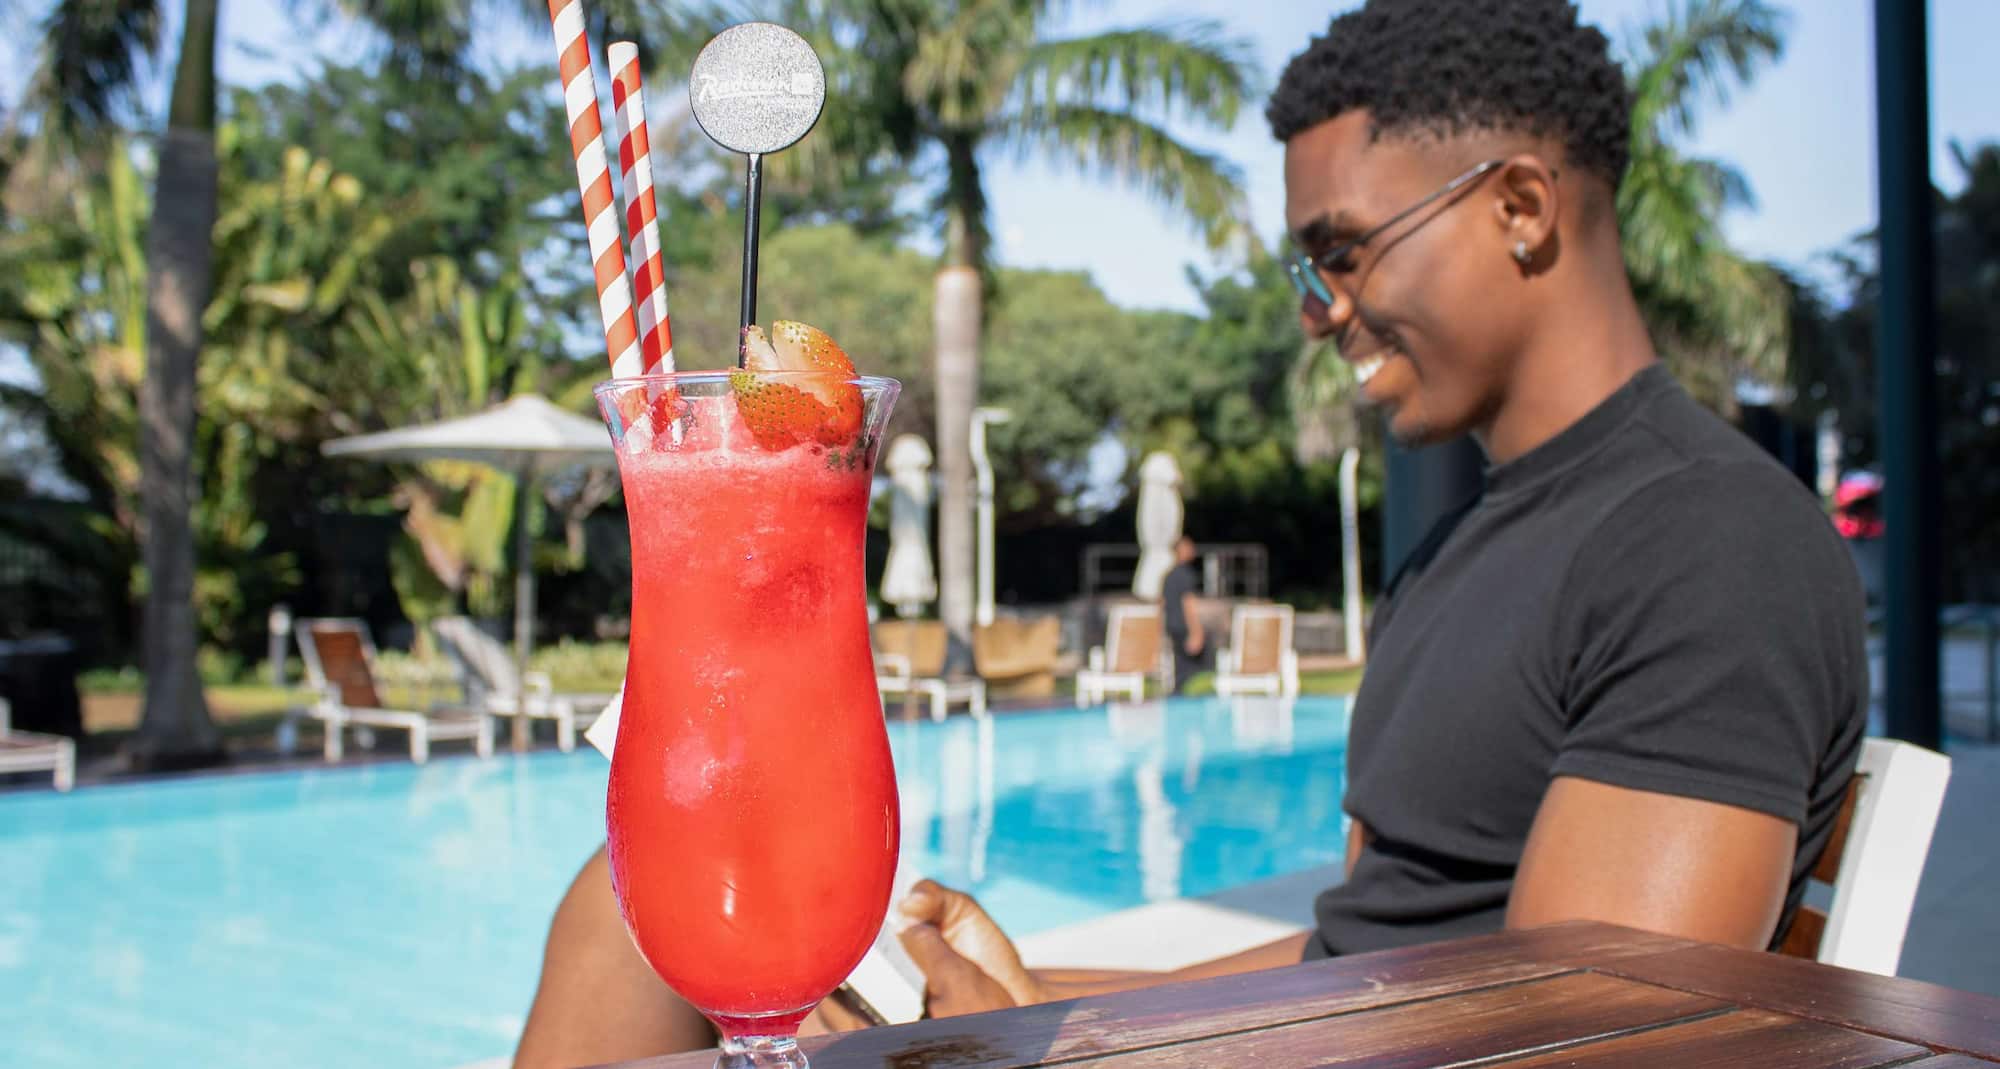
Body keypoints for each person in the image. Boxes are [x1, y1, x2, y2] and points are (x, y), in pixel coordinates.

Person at [514, 1, 1867, 1061]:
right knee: (632, 920)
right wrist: (1036, 1008)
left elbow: (1585, 1030)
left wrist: (1095, 1056)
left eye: (1340, 253)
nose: (1317, 311)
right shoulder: (1471, 548)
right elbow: (1363, 955)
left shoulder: (1705, 541)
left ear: (1520, 205)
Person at [1160, 536, 1208, 693]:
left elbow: (1161, 603)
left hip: (1172, 626)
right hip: (1184, 626)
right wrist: (1196, 630)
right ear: (1180, 550)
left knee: (1179, 667)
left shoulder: (1167, 575)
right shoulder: (1185, 574)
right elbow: (1188, 603)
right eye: (1188, 546)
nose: (1192, 549)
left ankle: (1177, 695)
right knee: (1192, 671)